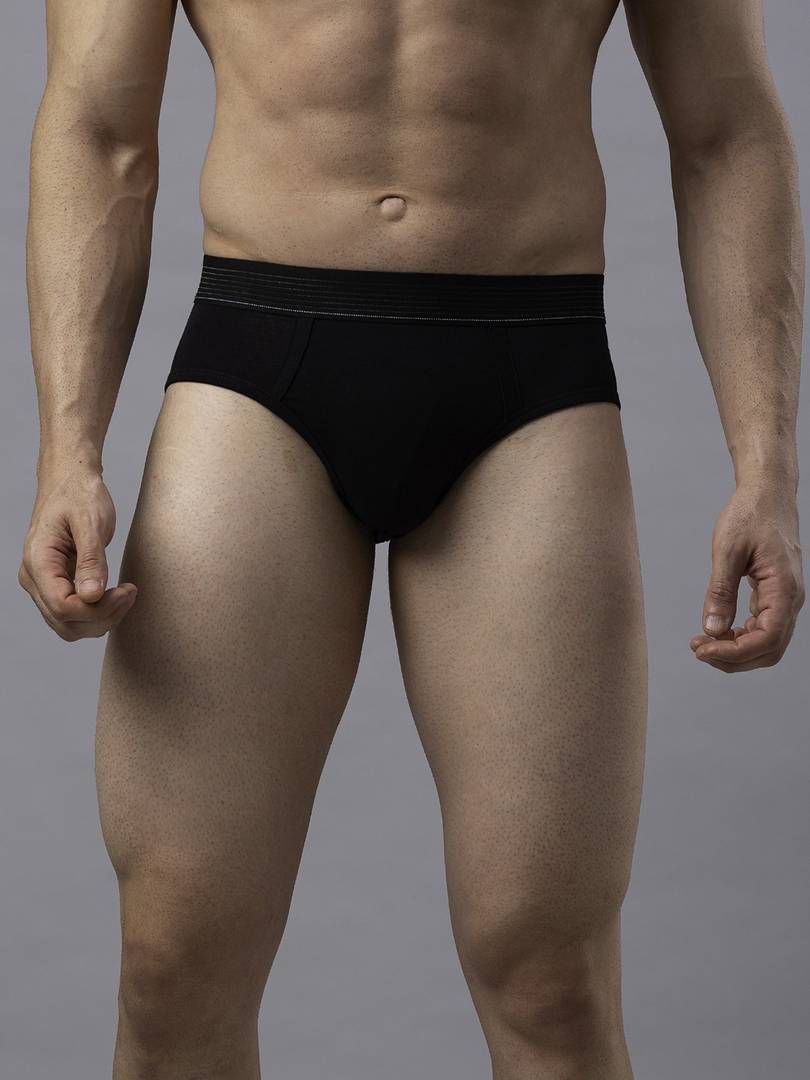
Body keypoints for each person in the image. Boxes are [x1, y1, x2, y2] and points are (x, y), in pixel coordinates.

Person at [18, 1, 804, 1077]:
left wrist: (766, 467)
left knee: (551, 981)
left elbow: (726, 130)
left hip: (529, 373)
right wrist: (67, 449)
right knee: (173, 966)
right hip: (257, 361)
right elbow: (97, 126)